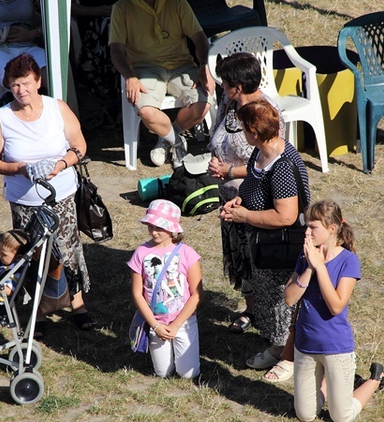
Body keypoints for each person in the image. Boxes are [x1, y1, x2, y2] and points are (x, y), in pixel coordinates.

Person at [0, 53, 94, 333]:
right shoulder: (2, 117)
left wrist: (60, 165)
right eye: (14, 85)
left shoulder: (57, 108)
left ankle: (77, 303)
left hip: (63, 195)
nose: (21, 90)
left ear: (38, 81)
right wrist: (19, 168)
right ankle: (39, 311)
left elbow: (80, 146)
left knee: (68, 249)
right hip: (24, 201)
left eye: (25, 83)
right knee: (32, 253)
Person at [220, 100, 310, 376]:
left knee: (282, 300)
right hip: (263, 243)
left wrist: (244, 216)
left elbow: (286, 216)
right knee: (268, 296)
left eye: (244, 129)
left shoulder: (282, 165)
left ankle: (286, 355)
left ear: (254, 133)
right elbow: (254, 183)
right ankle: (276, 345)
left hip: (282, 245)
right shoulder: (262, 153)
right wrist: (240, 199)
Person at [284, 200, 384, 422]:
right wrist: (310, 268)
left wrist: (320, 267)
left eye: (313, 227)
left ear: (332, 229)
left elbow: (336, 306)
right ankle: (328, 383)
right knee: (305, 415)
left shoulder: (348, 261)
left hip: (336, 348)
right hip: (305, 346)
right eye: (307, 225)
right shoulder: (305, 257)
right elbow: (289, 298)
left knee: (340, 417)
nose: (307, 231)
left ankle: (375, 378)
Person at [207, 52, 285, 337]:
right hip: (228, 194)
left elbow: (271, 162)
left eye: (226, 83)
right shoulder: (228, 103)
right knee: (240, 256)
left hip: (254, 199)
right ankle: (251, 309)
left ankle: (268, 318)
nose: (222, 87)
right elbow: (217, 136)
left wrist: (229, 170)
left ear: (237, 87)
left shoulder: (267, 112)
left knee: (257, 259)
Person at [109, 0, 214, 168]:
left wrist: (204, 65)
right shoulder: (122, 7)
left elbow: (199, 37)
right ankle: (177, 142)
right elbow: (115, 49)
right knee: (146, 111)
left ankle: (166, 136)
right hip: (145, 68)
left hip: (181, 65)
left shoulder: (178, 3)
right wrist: (129, 76)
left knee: (203, 105)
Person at [128, 200, 202, 378]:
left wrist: (176, 325)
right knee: (162, 372)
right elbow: (137, 293)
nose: (154, 231)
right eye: (150, 226)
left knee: (188, 374)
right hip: (156, 322)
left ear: (173, 229)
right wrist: (155, 325)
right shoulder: (140, 253)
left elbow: (197, 295)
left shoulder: (187, 253)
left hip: (184, 321)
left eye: (159, 227)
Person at [71, 0, 120, 128]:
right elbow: (69, 7)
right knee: (107, 26)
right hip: (90, 24)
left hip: (123, 19)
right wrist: (98, 11)